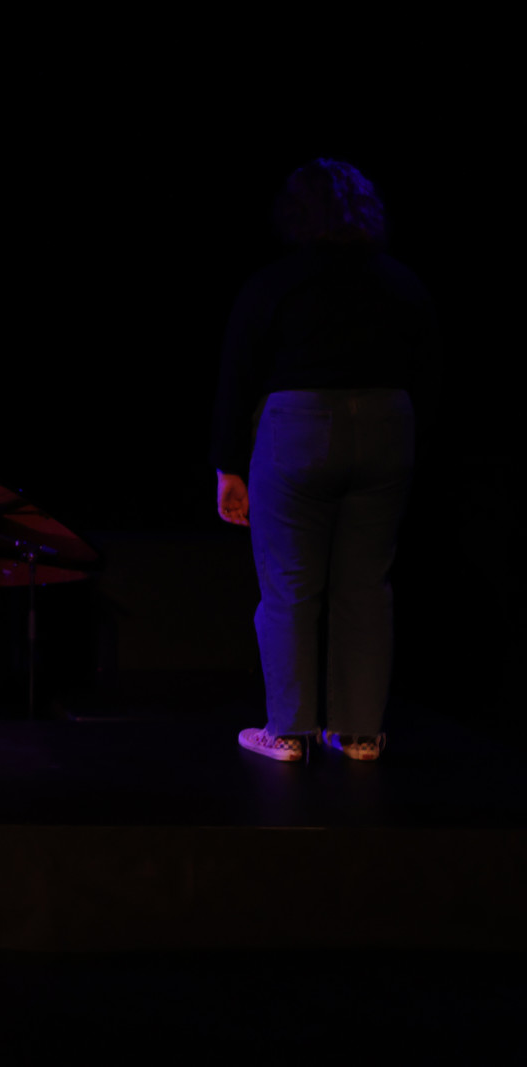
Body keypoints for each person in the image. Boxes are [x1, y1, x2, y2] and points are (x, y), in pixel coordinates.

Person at [211, 159, 439, 762]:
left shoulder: (274, 283)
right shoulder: (401, 282)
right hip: (388, 429)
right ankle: (360, 734)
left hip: (299, 432)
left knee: (289, 587)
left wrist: (229, 466)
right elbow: (429, 374)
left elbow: (237, 375)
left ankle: (289, 732)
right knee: (366, 585)